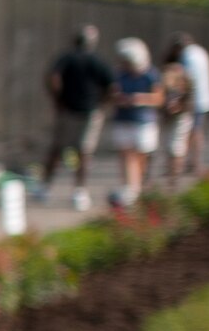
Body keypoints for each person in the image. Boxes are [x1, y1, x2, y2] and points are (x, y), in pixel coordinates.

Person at [39, 24, 114, 212]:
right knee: (83, 153)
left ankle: (46, 187)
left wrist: (57, 99)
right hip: (86, 111)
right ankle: (78, 191)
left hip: (72, 110)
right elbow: (112, 87)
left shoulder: (67, 58)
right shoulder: (94, 60)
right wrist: (101, 103)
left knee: (60, 150)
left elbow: (53, 78)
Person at [107, 37, 163, 205]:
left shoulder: (150, 75)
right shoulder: (119, 74)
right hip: (123, 119)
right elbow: (111, 94)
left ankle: (136, 187)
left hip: (143, 121)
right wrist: (119, 99)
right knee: (126, 154)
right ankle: (129, 188)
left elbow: (159, 98)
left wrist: (140, 99)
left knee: (140, 156)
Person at [159, 38, 196, 188]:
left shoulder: (181, 72)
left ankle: (173, 178)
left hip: (180, 114)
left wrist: (179, 106)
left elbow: (188, 93)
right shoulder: (172, 71)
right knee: (171, 147)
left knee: (175, 147)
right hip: (172, 114)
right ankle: (172, 177)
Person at [176, 31, 209, 173]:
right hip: (203, 98)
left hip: (193, 100)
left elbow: (187, 80)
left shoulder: (187, 56)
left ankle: (192, 163)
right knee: (197, 131)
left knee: (191, 132)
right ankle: (194, 162)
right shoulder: (200, 52)